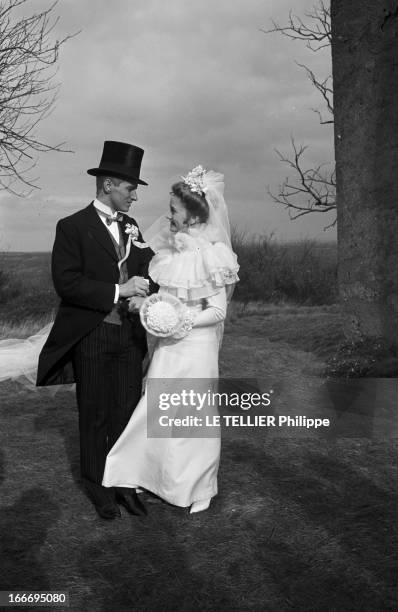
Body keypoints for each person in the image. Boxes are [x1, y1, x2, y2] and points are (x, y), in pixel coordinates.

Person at [102, 165, 239, 513]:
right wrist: (152, 308)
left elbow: (218, 312)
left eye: (174, 209)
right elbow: (169, 299)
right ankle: (157, 478)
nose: (169, 215)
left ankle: (199, 487)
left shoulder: (214, 256)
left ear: (192, 215)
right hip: (169, 347)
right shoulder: (171, 254)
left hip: (197, 348)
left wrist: (182, 320)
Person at [36, 140, 156, 519]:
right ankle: (98, 486)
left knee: (126, 409)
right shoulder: (71, 226)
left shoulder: (133, 226)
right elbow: (67, 284)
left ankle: (124, 484)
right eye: (130, 187)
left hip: (129, 335)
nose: (135, 195)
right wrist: (121, 290)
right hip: (92, 334)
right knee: (94, 412)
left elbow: (148, 271)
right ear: (108, 185)